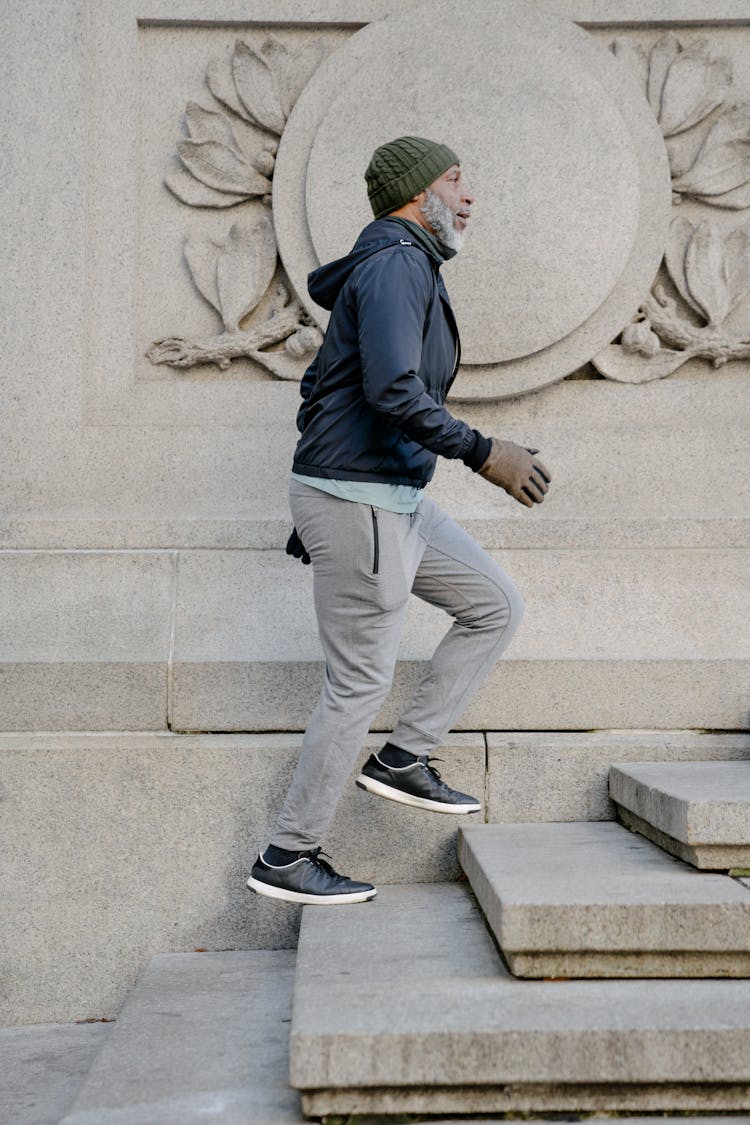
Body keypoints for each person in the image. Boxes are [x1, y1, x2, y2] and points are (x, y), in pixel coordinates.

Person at [247, 136, 551, 905]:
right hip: (363, 500)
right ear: (419, 194)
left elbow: (321, 387)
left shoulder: (405, 263)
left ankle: (403, 758)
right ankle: (288, 853)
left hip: (384, 499)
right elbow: (392, 390)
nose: (469, 195)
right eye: (457, 178)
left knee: (494, 604)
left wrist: (320, 489)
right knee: (356, 683)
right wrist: (486, 452)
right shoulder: (395, 264)